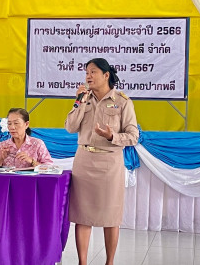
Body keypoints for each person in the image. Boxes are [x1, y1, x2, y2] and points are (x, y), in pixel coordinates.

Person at [65, 58, 139, 265]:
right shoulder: (83, 99)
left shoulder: (123, 101)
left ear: (106, 75)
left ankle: (109, 262)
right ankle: (82, 262)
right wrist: (78, 100)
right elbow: (70, 127)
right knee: (83, 215)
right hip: (84, 161)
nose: (88, 76)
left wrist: (111, 136)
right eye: (86, 72)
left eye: (93, 72)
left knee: (110, 216)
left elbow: (133, 136)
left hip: (110, 163)